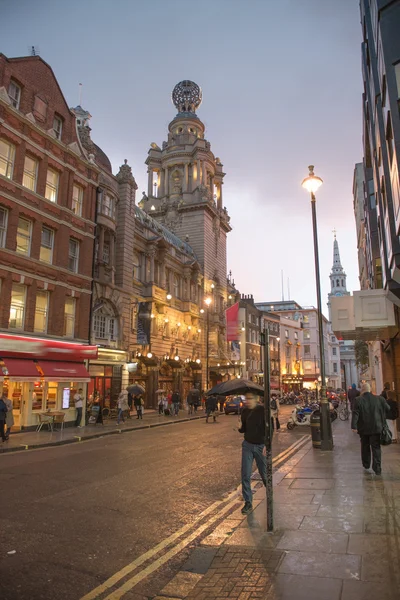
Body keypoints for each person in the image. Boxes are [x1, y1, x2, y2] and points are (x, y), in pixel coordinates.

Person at [351, 382, 390, 475]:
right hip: (376, 427)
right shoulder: (379, 399)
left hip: (363, 428)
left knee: (365, 446)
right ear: (370, 390)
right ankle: (377, 468)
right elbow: (387, 408)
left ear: (362, 390)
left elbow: (355, 413)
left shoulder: (358, 400)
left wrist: (354, 426)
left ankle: (366, 464)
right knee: (376, 447)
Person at [238, 392, 267, 515]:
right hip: (248, 445)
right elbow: (243, 429)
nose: (247, 401)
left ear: (256, 399)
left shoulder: (262, 411)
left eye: (250, 398)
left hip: (260, 446)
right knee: (245, 474)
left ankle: (270, 494)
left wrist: (267, 444)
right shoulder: (244, 411)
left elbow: (268, 428)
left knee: (264, 473)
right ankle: (248, 502)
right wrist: (240, 427)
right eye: (246, 398)